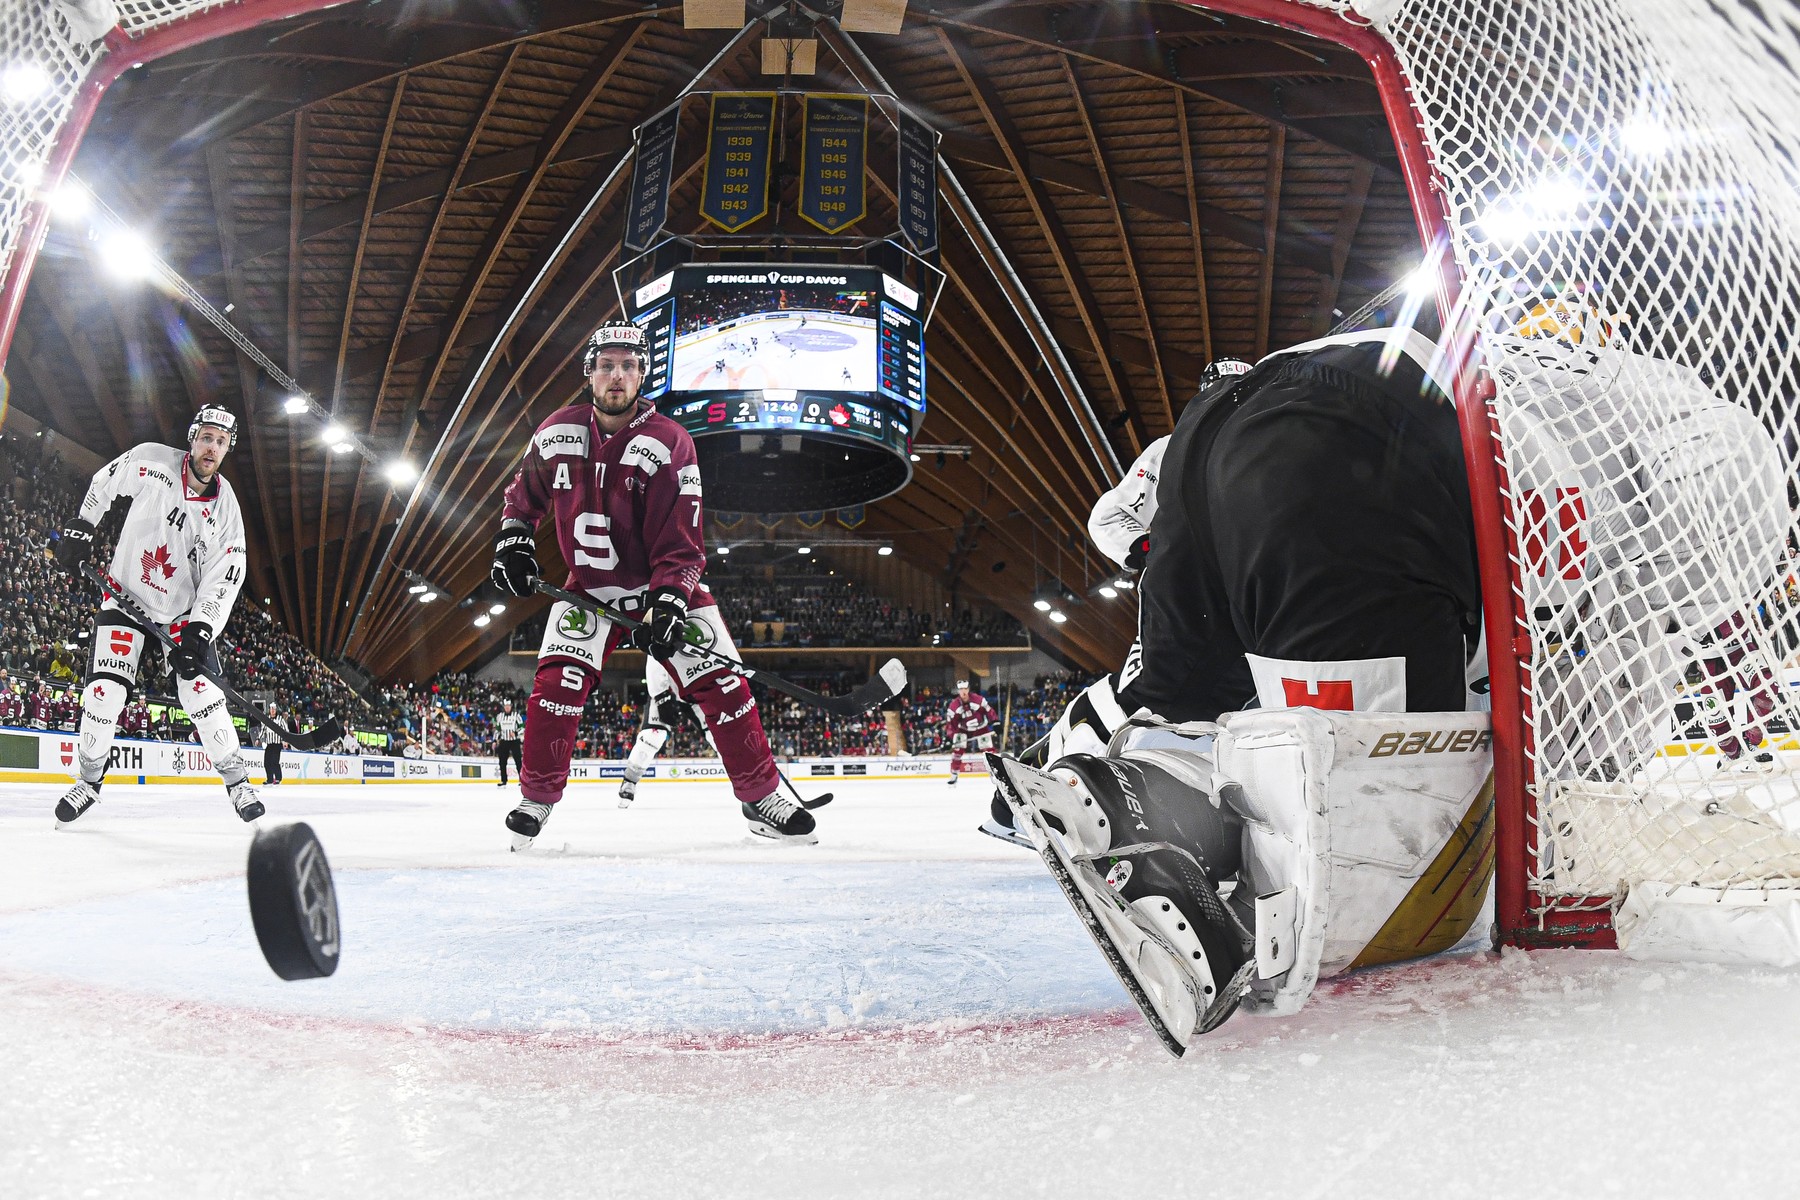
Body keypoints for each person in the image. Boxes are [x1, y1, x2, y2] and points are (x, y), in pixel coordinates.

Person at [992, 326, 1491, 1050]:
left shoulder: (1212, 408)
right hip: (1319, 469)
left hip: (1219, 460)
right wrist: (1179, 552)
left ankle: (1132, 796)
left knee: (1184, 699)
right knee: (1377, 793)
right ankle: (1245, 923)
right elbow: (1113, 521)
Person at [490, 322, 814, 848]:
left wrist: (667, 604)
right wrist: (513, 541)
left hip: (664, 590)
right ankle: (536, 799)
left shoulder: (670, 441)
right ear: (590, 372)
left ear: (643, 373)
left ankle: (760, 797)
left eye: (628, 365)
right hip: (588, 591)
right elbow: (521, 499)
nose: (616, 375)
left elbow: (683, 544)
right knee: (555, 689)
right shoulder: (554, 432)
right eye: (606, 365)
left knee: (724, 687)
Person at [47, 406, 264, 824]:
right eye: (206, 437)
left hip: (183, 611)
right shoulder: (152, 460)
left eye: (220, 442)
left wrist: (201, 630)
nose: (211, 447)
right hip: (125, 595)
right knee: (103, 694)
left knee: (201, 693)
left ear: (226, 450)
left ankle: (238, 783)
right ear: (192, 437)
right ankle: (88, 782)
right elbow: (104, 482)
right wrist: (82, 526)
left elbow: (226, 576)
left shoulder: (227, 510)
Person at [617, 657, 709, 808]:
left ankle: (748, 785)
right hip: (668, 687)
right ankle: (629, 781)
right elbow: (655, 649)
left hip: (697, 683)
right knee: (652, 736)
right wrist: (660, 693)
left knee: (718, 734)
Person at [943, 678, 996, 786]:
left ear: (969, 689)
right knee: (957, 751)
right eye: (961, 689)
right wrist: (950, 737)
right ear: (958, 691)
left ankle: (995, 773)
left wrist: (995, 722)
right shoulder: (954, 706)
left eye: (965, 688)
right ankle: (954, 774)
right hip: (963, 730)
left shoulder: (979, 699)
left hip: (981, 728)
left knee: (989, 752)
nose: (963, 691)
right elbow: (951, 724)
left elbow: (989, 711)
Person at [493, 697, 523, 787]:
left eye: (508, 706)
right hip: (504, 741)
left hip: (514, 741)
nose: (507, 708)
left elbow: (523, 727)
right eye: (505, 706)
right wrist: (494, 740)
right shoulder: (500, 716)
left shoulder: (516, 715)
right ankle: (503, 780)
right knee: (502, 761)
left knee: (518, 761)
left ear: (511, 706)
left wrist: (516, 732)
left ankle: (522, 780)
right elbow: (497, 730)